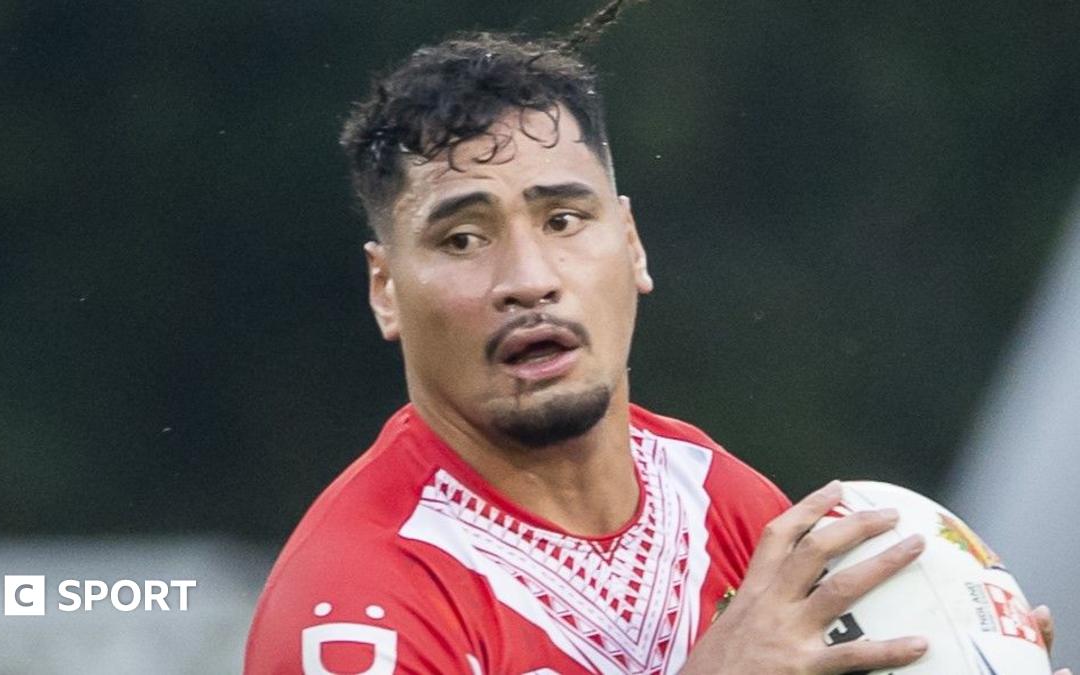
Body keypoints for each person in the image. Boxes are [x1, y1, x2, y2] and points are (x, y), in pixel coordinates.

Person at [245, 7, 1065, 674]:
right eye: (463, 239)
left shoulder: (732, 509)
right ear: (386, 290)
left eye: (564, 220)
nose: (528, 278)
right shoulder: (353, 607)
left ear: (631, 243)